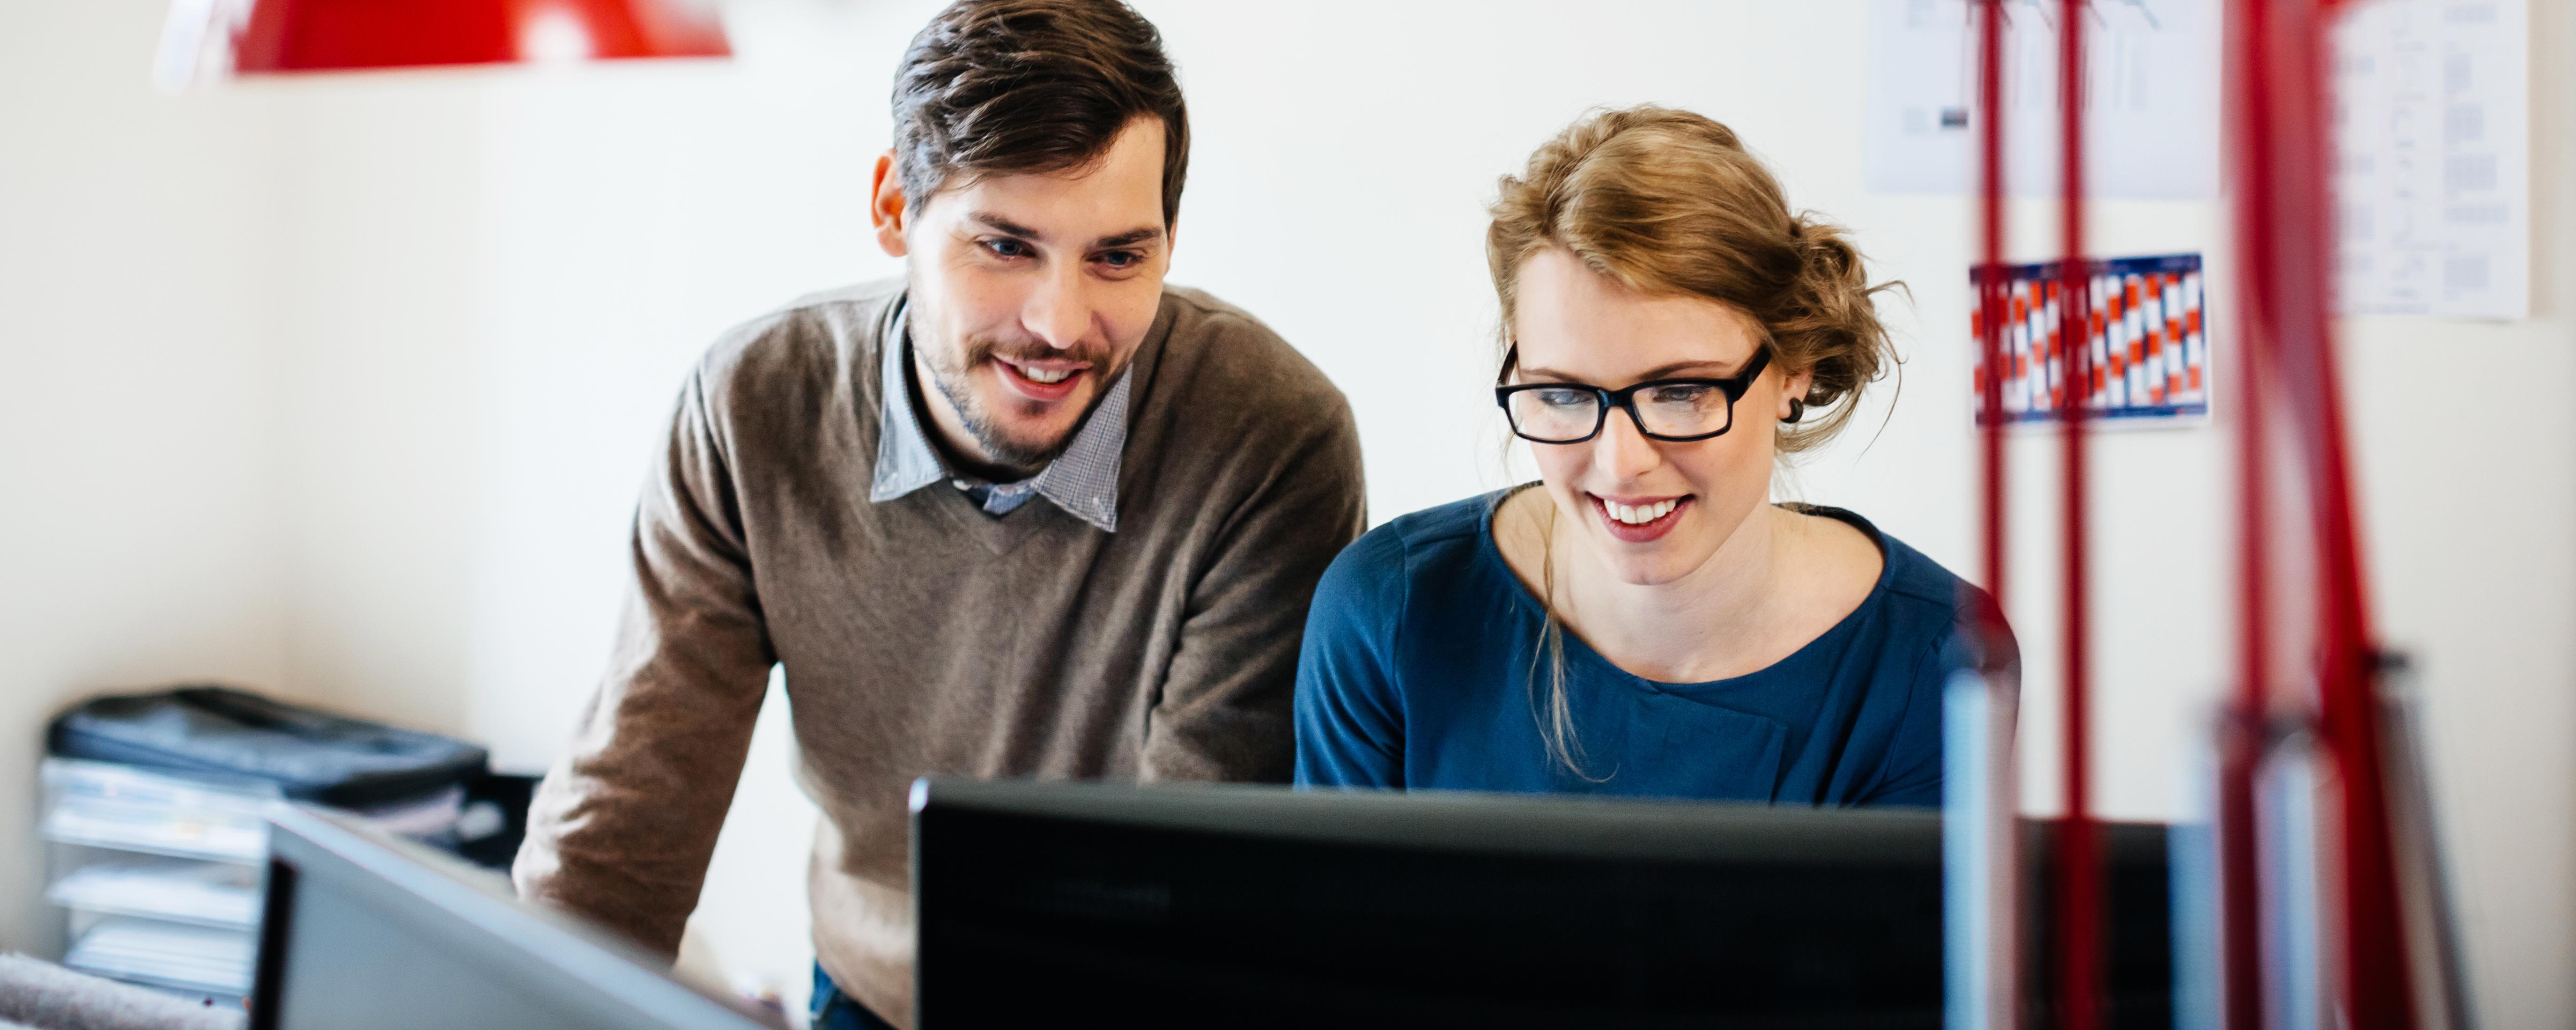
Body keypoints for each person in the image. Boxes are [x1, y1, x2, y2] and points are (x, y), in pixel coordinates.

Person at [511, 3, 1366, 1028]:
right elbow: (624, 825)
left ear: (1170, 241)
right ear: (891, 206)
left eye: (1117, 257)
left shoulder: (1270, 438)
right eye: (1004, 246)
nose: (1057, 325)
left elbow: (1183, 889)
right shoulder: (752, 403)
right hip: (877, 983)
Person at [1295, 106, 2011, 804]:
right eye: (1565, 395)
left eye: (1680, 392)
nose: (1621, 462)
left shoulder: (1938, 659)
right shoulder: (1389, 610)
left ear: (1793, 369)